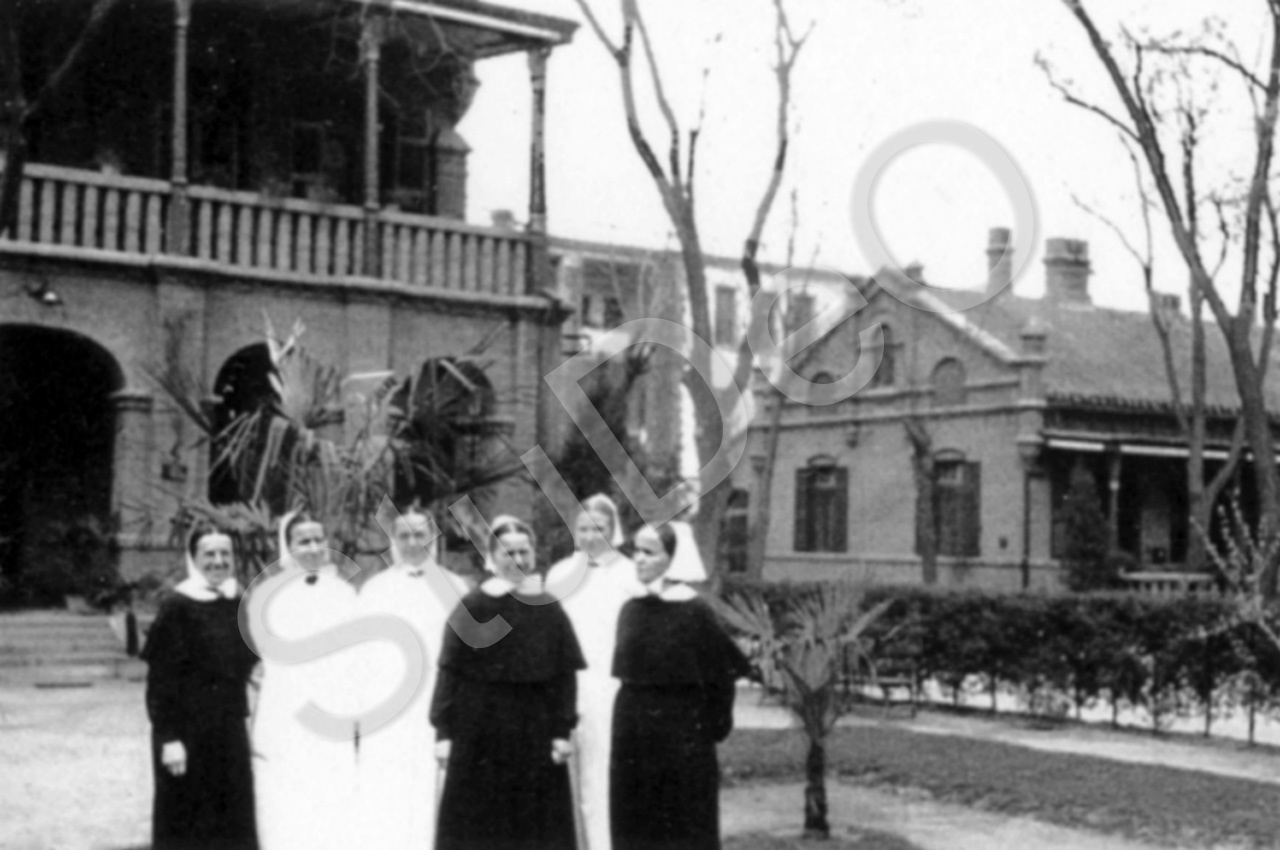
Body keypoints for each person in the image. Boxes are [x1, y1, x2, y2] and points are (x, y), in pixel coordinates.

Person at [431, 515, 586, 850]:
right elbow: (450, 673)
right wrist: (443, 733)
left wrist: (562, 731)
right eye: (508, 552)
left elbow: (564, 674)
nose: (517, 559)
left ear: (533, 554)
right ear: (492, 557)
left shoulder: (547, 607)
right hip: (478, 734)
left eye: (523, 551)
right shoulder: (473, 606)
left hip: (534, 732)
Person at [610, 523, 751, 850]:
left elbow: (721, 678)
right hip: (633, 731)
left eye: (649, 552)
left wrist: (710, 729)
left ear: (673, 559)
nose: (639, 559)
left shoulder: (695, 611)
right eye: (636, 551)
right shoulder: (630, 608)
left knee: (682, 820)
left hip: (682, 734)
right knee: (635, 818)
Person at [356, 508, 467, 850]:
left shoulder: (455, 587)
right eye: (404, 535)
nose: (412, 542)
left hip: (437, 696)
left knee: (431, 778)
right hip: (389, 698)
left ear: (432, 537)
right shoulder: (375, 589)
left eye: (420, 534)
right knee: (387, 777)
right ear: (393, 540)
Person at [142, 525, 258, 850]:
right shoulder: (176, 607)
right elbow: (160, 682)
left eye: (225, 553)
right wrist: (169, 739)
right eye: (209, 554)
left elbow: (250, 664)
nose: (218, 561)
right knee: (188, 824)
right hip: (187, 736)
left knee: (232, 823)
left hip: (229, 733)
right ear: (193, 558)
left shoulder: (237, 602)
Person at [248, 513, 360, 850]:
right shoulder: (266, 595)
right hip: (286, 710)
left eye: (317, 540)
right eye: (303, 541)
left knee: (332, 794)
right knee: (286, 795)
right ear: (288, 546)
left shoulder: (344, 593)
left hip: (332, 707)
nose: (312, 548)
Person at [545, 494, 640, 850]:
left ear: (613, 529)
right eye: (583, 528)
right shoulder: (559, 574)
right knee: (563, 766)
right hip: (567, 681)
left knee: (603, 767)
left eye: (598, 528)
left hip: (610, 682)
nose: (589, 536)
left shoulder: (630, 573)